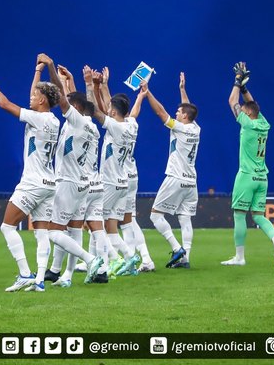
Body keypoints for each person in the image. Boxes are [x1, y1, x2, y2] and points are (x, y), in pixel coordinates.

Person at [0, 62, 61, 292]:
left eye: (35, 95)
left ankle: (24, 273)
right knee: (41, 232)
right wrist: (37, 71)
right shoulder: (54, 121)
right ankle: (39, 280)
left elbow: (4, 103)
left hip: (32, 182)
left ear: (42, 100)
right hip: (49, 183)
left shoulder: (37, 118)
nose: (31, 97)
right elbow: (34, 97)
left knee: (7, 226)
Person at [32, 54, 103, 290]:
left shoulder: (77, 122)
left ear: (76, 108)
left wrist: (51, 67)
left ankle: (91, 260)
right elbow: (75, 99)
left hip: (68, 182)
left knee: (53, 232)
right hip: (84, 183)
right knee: (74, 229)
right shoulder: (92, 128)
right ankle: (68, 275)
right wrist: (72, 81)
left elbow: (63, 98)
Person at [221, 62, 274, 266]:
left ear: (247, 113)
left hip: (247, 176)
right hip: (262, 177)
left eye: (243, 109)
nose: (241, 109)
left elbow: (231, 101)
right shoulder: (264, 123)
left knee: (239, 215)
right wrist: (245, 88)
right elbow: (253, 104)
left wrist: (237, 80)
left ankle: (240, 258)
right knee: (258, 216)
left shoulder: (247, 123)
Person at [85, 66, 140, 276]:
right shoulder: (132, 125)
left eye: (110, 108)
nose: (108, 108)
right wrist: (105, 85)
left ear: (114, 112)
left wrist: (90, 84)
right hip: (123, 183)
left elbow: (95, 111)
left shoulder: (115, 127)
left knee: (94, 222)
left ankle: (110, 263)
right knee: (111, 228)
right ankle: (129, 258)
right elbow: (112, 107)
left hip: (109, 182)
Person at [141, 75, 200, 269]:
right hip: (191, 182)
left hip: (175, 178)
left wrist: (147, 92)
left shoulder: (180, 128)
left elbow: (160, 112)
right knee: (185, 218)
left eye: (179, 112)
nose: (176, 113)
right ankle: (186, 259)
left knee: (155, 215)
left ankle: (176, 248)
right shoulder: (196, 128)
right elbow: (188, 109)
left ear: (184, 117)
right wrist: (182, 89)